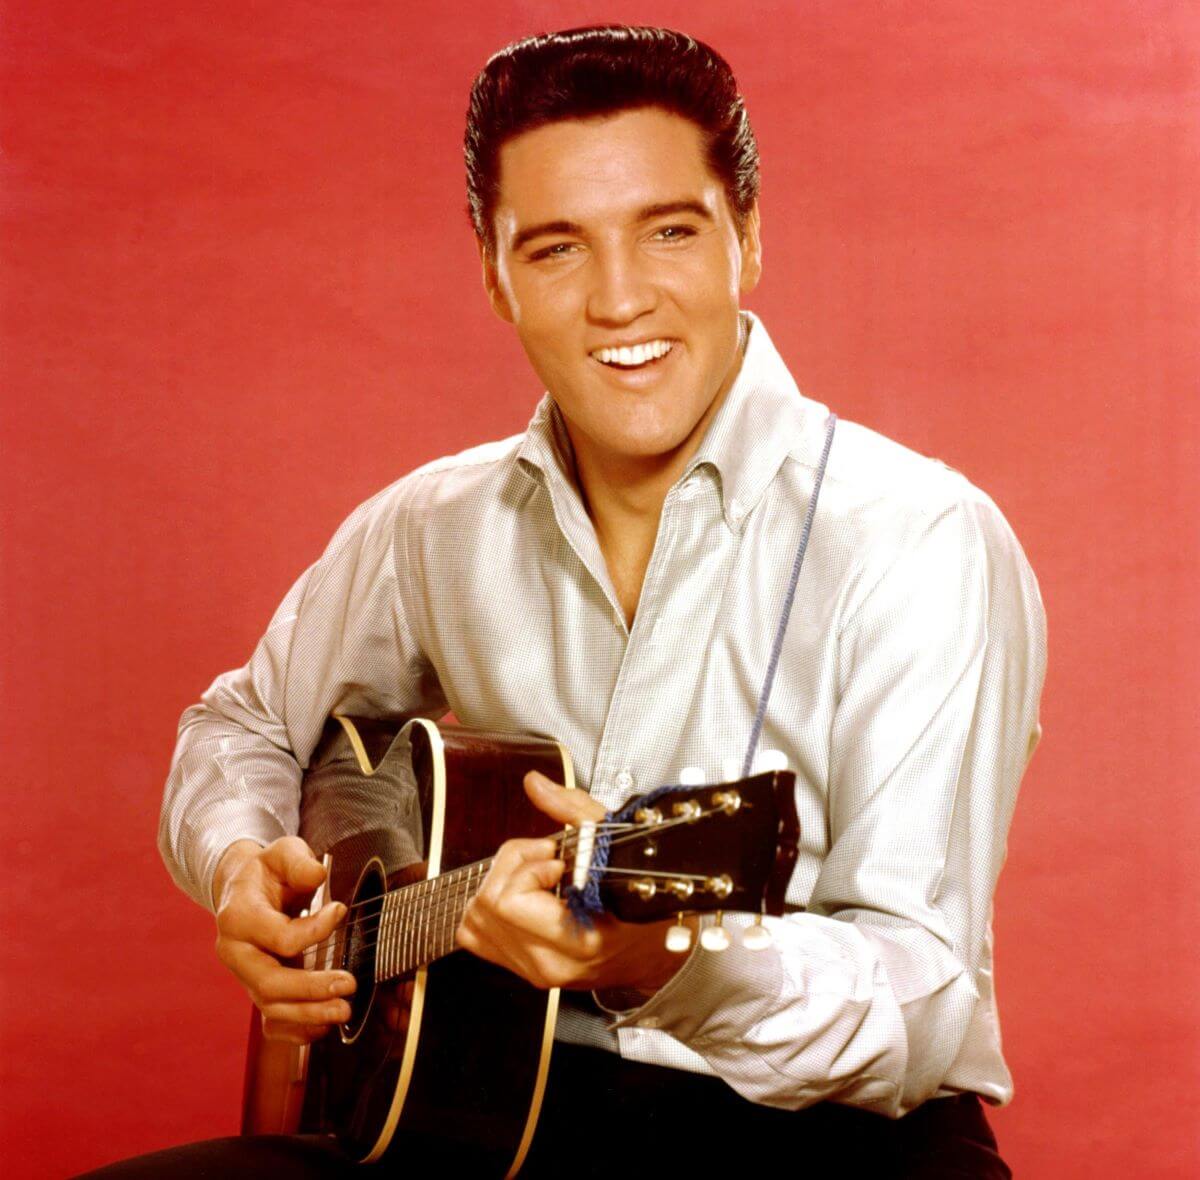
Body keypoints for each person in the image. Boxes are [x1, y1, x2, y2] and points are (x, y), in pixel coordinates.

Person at [105, 24, 1045, 1180]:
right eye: (555, 249)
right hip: (478, 1109)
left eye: (669, 232)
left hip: (829, 1140)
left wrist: (661, 964)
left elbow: (921, 1002)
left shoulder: (919, 537)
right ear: (494, 276)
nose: (619, 298)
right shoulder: (430, 527)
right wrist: (242, 860)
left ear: (746, 240)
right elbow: (237, 727)